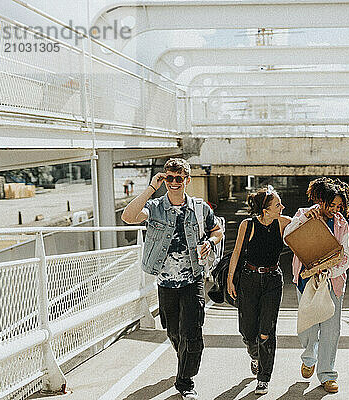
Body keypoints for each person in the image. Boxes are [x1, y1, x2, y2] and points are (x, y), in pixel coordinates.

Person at [121, 158, 223, 400]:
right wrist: (150, 188)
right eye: (169, 178)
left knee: (192, 331)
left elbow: (216, 231)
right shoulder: (155, 206)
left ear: (187, 180)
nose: (174, 182)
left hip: (193, 279)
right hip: (166, 282)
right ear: (164, 179)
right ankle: (183, 358)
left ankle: (185, 382)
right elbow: (128, 216)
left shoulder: (200, 208)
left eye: (179, 178)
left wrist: (209, 242)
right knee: (174, 333)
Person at [283, 178, 349, 393]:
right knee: (308, 327)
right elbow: (288, 237)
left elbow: (346, 255)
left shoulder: (342, 224)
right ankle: (309, 356)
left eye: (338, 206)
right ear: (320, 200)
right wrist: (304, 218)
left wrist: (329, 271)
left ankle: (327, 374)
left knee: (331, 330)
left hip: (332, 281)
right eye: (330, 204)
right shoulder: (304, 215)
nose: (334, 209)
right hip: (306, 281)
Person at [227, 186, 291, 395]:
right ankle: (255, 355)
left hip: (273, 280)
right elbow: (236, 252)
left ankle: (263, 377)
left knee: (266, 331)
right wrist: (230, 279)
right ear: (266, 210)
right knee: (248, 331)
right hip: (249, 279)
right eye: (278, 205)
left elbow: (304, 220)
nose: (282, 207)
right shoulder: (248, 225)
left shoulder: (282, 223)